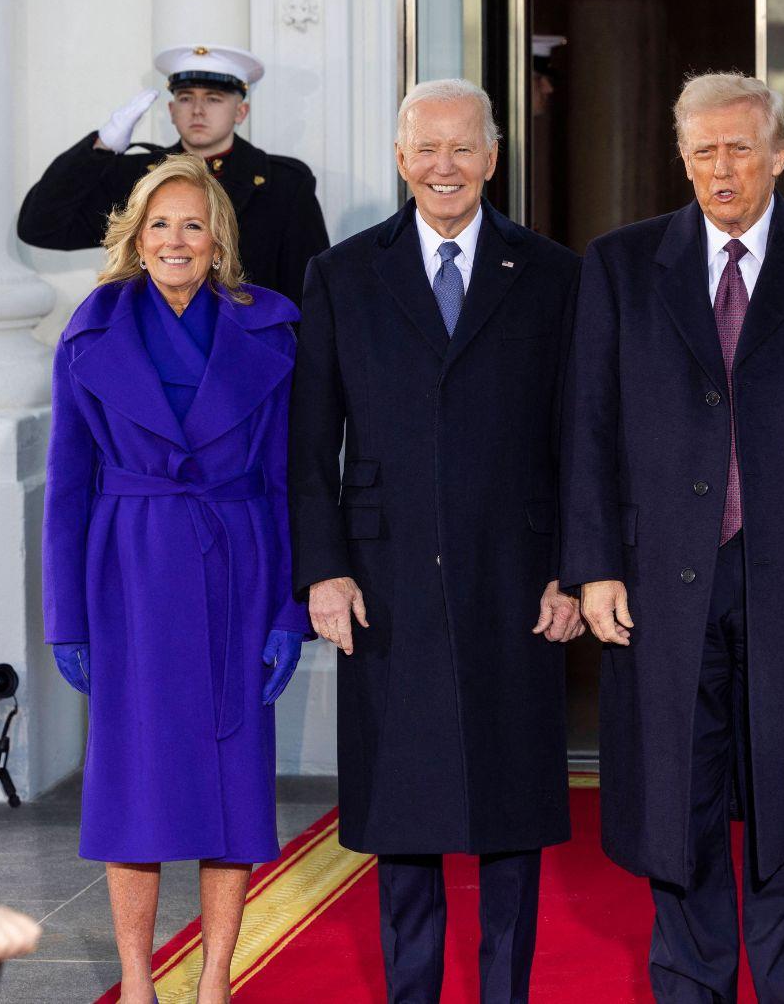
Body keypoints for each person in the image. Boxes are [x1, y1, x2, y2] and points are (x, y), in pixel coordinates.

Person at [561, 72, 784, 1002]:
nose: (723, 168)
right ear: (680, 157)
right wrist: (592, 567)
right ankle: (692, 986)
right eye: (704, 150)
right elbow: (587, 425)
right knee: (679, 800)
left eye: (741, 148)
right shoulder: (621, 263)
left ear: (779, 154)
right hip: (661, 579)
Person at [288, 78, 582, 1003]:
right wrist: (323, 571)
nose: (445, 166)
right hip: (384, 579)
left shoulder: (553, 274)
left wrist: (575, 569)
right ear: (401, 156)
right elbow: (308, 444)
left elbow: (582, 436)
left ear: (494, 158)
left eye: (464, 148)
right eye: (427, 148)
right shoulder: (341, 274)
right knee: (401, 814)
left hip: (517, 576)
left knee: (511, 810)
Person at [42, 154, 309, 1004]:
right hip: (129, 577)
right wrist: (67, 620)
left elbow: (285, 480)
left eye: (194, 224)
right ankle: (138, 982)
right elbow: (67, 485)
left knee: (233, 794)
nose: (176, 239)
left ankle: (215, 983)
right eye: (160, 224)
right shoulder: (93, 328)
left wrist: (287, 609)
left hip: (239, 564)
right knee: (134, 791)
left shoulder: (270, 327)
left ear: (219, 237)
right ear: (136, 235)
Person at [18, 44, 328, 307]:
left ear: (240, 112)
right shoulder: (137, 178)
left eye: (213, 98)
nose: (197, 109)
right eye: (186, 97)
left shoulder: (284, 185)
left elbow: (310, 292)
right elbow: (41, 226)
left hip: (246, 354)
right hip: (154, 349)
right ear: (171, 109)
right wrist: (102, 147)